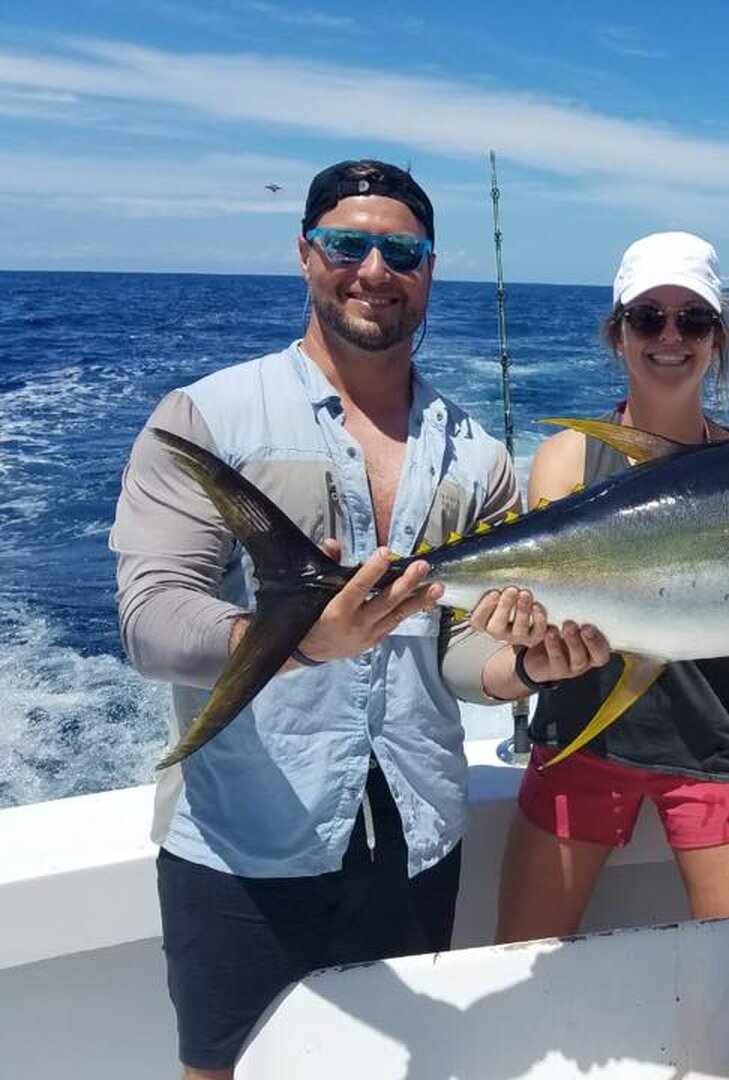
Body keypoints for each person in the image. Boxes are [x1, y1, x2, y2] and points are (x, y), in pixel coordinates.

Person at [111, 159, 525, 1079]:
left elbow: (459, 654)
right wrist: (299, 641)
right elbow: (151, 620)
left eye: (402, 251)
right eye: (348, 244)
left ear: (429, 270)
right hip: (243, 839)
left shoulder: (480, 456)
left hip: (416, 833)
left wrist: (526, 668)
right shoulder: (208, 417)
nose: (374, 268)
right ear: (306, 255)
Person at [482, 231, 729, 944]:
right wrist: (524, 634)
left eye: (694, 319)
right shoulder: (566, 457)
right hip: (581, 741)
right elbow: (540, 611)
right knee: (521, 967)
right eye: (648, 317)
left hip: (715, 749)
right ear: (618, 334)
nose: (670, 336)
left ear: (716, 339)